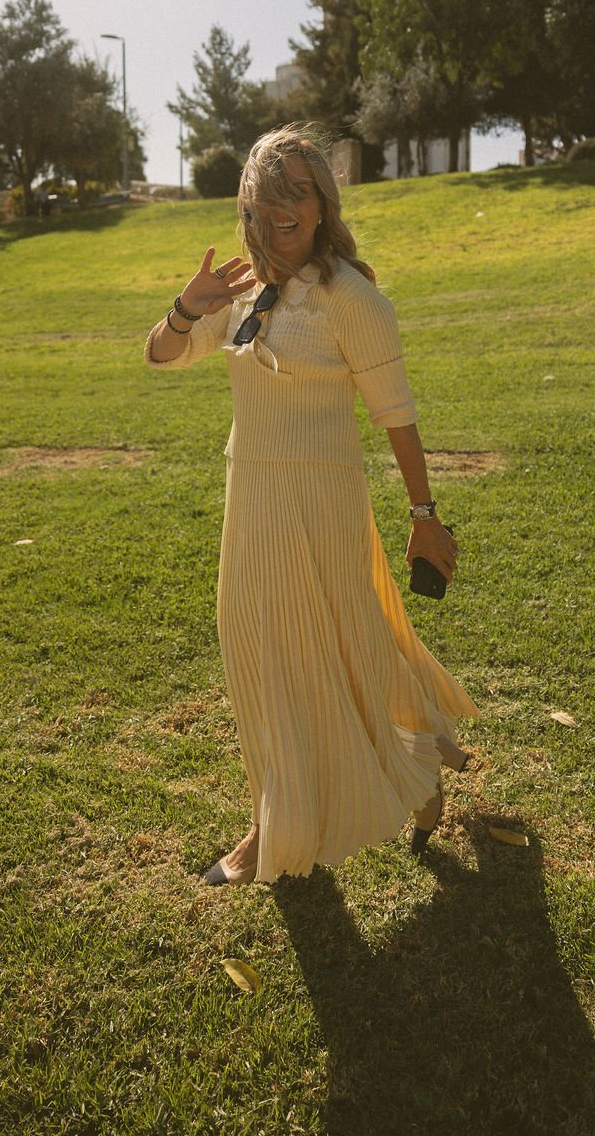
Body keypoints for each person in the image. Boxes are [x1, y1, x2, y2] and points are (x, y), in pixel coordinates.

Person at [144, 125, 478, 885]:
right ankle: (403, 779)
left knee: (323, 659)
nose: (280, 209)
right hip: (250, 497)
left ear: (322, 204)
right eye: (265, 198)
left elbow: (397, 414)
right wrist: (185, 311)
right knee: (255, 657)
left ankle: (282, 825)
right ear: (248, 211)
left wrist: (424, 514)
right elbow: (160, 356)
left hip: (319, 503)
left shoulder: (353, 299)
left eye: (297, 192)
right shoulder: (237, 293)